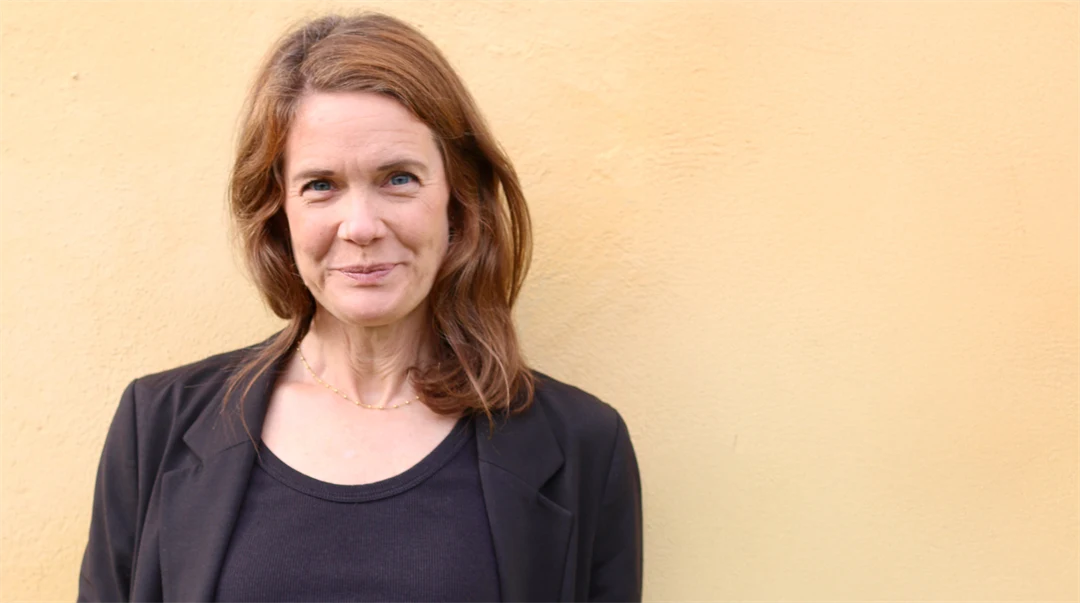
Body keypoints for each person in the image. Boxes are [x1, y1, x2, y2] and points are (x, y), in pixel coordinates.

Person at [77, 12, 642, 603]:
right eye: (320, 185)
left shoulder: (582, 446)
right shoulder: (158, 424)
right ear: (279, 210)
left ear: (458, 199)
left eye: (398, 178)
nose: (361, 226)